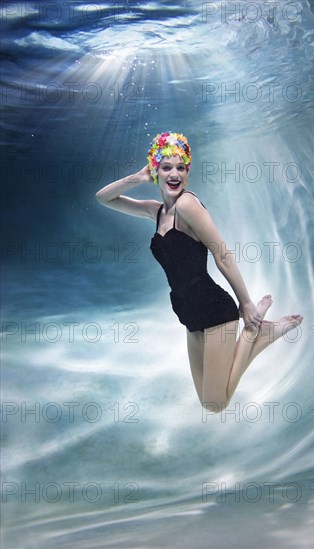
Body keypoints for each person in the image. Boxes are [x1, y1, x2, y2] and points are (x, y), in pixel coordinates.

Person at [96, 131, 302, 412]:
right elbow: (104, 198)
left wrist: (245, 303)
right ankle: (259, 333)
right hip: (188, 313)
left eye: (181, 167)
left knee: (216, 404)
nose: (174, 174)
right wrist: (138, 177)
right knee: (208, 402)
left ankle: (257, 333)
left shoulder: (187, 205)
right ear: (156, 170)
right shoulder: (155, 212)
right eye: (166, 167)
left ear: (187, 172)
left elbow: (222, 254)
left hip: (215, 311)